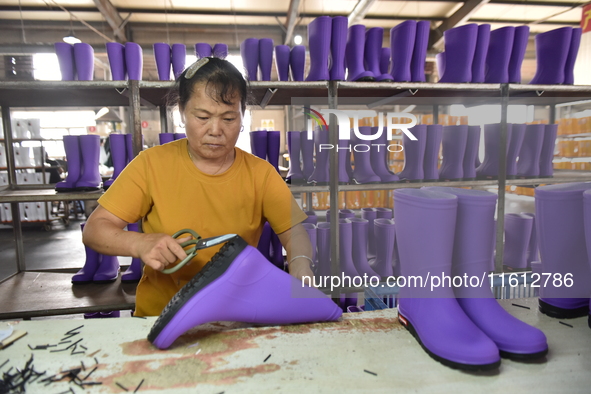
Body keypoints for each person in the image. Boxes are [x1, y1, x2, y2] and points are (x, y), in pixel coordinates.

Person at [82, 57, 314, 316]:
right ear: (181, 111)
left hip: (234, 315)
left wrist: (300, 264)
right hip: (162, 316)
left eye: (228, 118)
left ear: (242, 116)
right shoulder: (151, 165)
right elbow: (95, 230)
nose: (215, 130)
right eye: (202, 116)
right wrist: (140, 244)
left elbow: (294, 232)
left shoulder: (261, 174)